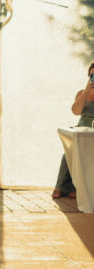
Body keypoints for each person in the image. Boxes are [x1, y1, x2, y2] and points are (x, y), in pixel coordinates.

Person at [52, 61, 94, 199]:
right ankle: (61, 187)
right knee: (69, 153)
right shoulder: (82, 93)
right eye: (92, 75)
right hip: (82, 127)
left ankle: (79, 189)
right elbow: (76, 111)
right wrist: (87, 90)